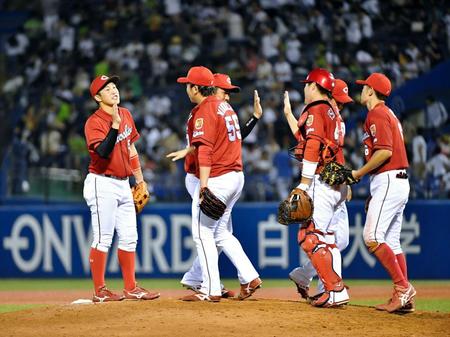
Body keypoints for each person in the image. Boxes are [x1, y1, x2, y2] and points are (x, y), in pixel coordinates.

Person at [167, 72, 263, 298]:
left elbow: (206, 150)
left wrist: (203, 186)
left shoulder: (206, 110)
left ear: (196, 88)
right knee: (220, 232)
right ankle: (247, 277)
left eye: (188, 85)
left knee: (203, 233)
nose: (186, 89)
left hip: (216, 177)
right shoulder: (225, 109)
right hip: (235, 176)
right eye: (225, 91)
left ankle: (210, 288)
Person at [83, 75, 160, 302]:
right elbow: (103, 152)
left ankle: (131, 287)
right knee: (102, 238)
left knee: (129, 237)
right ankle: (100, 291)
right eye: (107, 89)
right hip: (101, 182)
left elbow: (132, 149)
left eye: (115, 86)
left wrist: (140, 179)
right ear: (98, 97)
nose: (114, 90)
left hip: (124, 183)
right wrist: (114, 126)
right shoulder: (93, 122)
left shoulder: (125, 114)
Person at [282, 68, 349, 308]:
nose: (304, 88)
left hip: (322, 181)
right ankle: (325, 284)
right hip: (335, 180)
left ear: (313, 86)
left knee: (310, 236)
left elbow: (311, 145)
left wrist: (304, 182)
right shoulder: (333, 113)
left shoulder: (318, 109)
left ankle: (335, 290)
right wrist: (289, 114)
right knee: (328, 239)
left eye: (306, 84)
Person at [353, 73, 416, 313]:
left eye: (364, 86)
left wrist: (358, 173)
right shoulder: (388, 114)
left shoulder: (377, 113)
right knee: (391, 242)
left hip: (389, 179)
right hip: (393, 181)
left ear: (370, 91)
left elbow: (385, 152)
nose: (361, 90)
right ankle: (404, 297)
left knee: (372, 237)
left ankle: (403, 288)